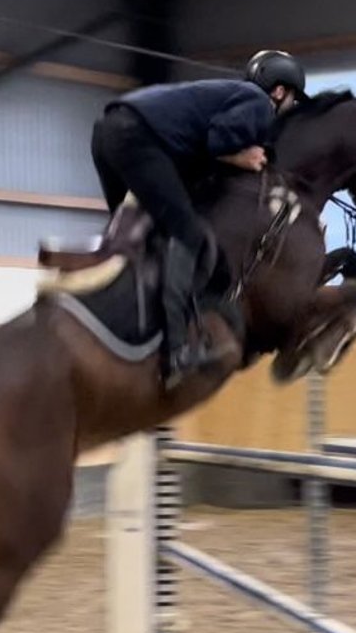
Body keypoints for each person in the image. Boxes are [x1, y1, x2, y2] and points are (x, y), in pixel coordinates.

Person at [90, 49, 306, 391]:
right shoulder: (257, 103)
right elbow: (218, 139)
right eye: (292, 98)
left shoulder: (224, 96)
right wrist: (241, 156)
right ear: (279, 91)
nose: (290, 107)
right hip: (136, 136)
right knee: (187, 234)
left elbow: (195, 153)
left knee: (141, 235)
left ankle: (124, 317)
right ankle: (176, 351)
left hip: (106, 133)